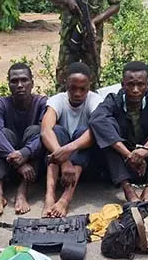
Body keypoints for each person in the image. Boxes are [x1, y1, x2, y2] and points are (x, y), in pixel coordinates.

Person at [89, 61, 148, 202]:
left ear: (147, 85)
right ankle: (128, 189)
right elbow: (96, 119)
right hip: (122, 164)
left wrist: (147, 149)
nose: (135, 90)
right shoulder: (114, 100)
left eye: (140, 85)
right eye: (130, 85)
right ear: (122, 84)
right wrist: (128, 155)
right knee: (106, 124)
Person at [41, 62, 103, 217]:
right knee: (57, 131)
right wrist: (64, 160)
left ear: (89, 86)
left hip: (85, 162)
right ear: (66, 84)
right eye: (73, 88)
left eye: (83, 89)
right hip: (61, 164)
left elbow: (97, 131)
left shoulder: (95, 101)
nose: (77, 93)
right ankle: (49, 196)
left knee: (84, 131)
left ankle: (65, 199)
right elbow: (45, 131)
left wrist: (68, 150)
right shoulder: (57, 100)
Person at [45, 0, 120, 91]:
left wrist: (94, 21)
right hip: (69, 32)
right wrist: (66, 0)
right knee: (63, 78)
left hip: (90, 34)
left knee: (91, 77)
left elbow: (115, 5)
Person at [0, 63, 47, 216]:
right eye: (14, 81)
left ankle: (22, 191)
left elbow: (47, 133)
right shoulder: (1, 103)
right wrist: (18, 161)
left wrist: (25, 152)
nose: (20, 85)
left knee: (36, 131)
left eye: (24, 80)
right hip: (10, 160)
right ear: (8, 84)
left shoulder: (42, 103)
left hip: (32, 160)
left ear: (32, 83)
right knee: (3, 134)